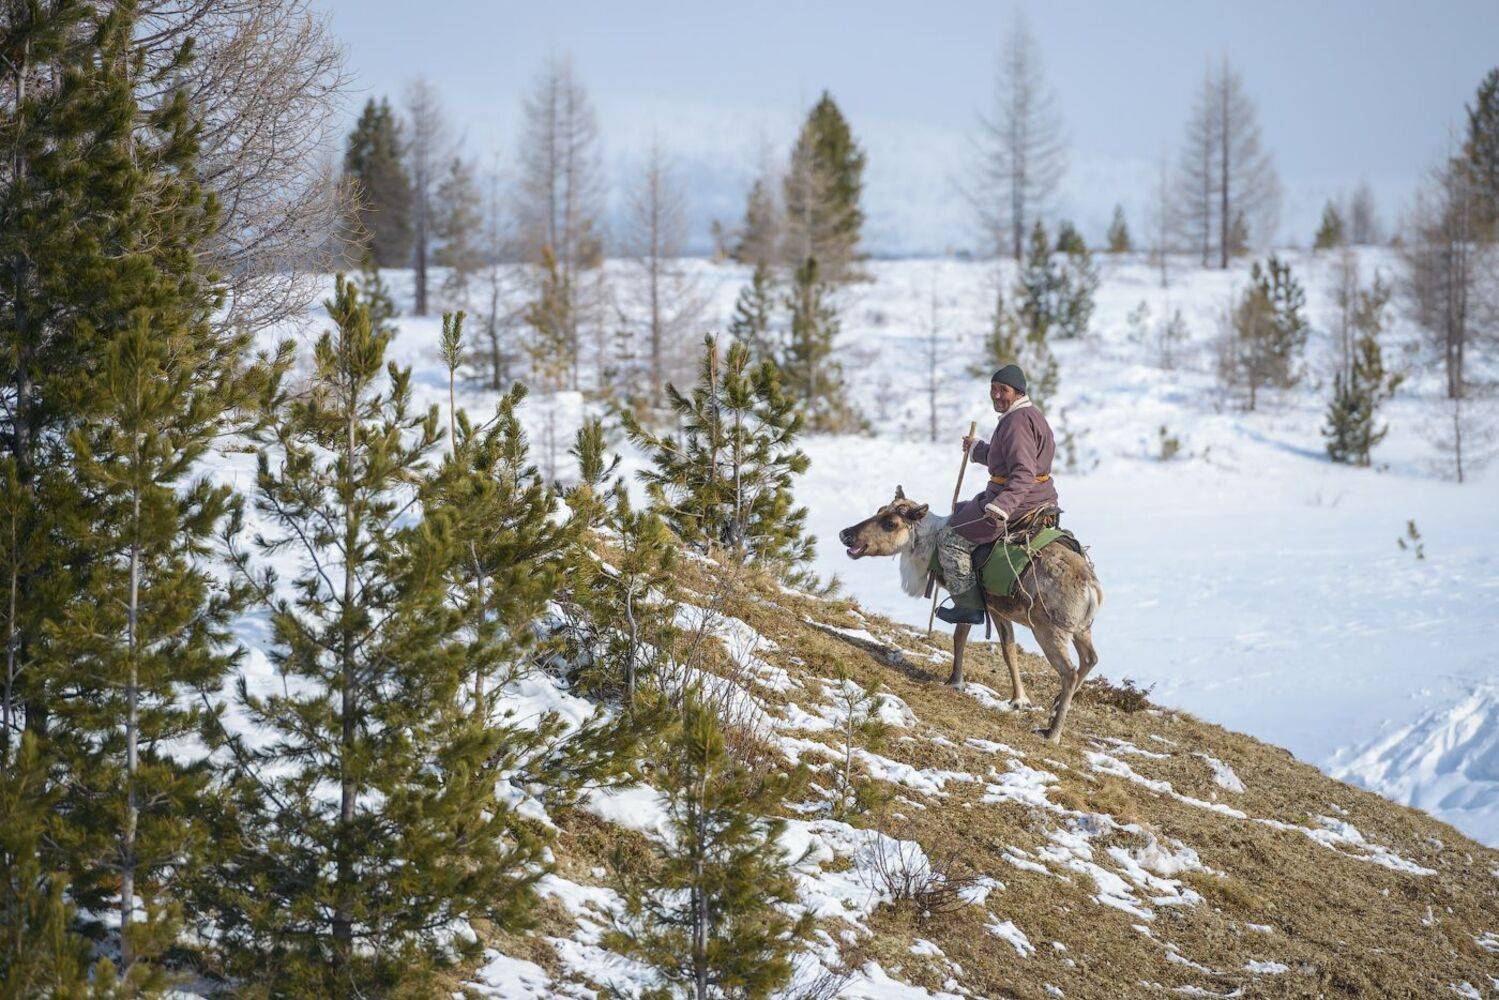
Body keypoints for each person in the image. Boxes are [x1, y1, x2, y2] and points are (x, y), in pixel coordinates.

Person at [934, 364, 1058, 626]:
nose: (997, 395)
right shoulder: (1030, 415)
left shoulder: (1016, 422)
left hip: (1019, 501)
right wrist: (978, 449)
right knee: (962, 511)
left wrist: (1002, 506)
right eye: (993, 389)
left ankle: (968, 607)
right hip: (1038, 497)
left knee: (950, 537)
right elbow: (1007, 456)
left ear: (1018, 391)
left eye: (1003, 390)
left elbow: (1023, 472)